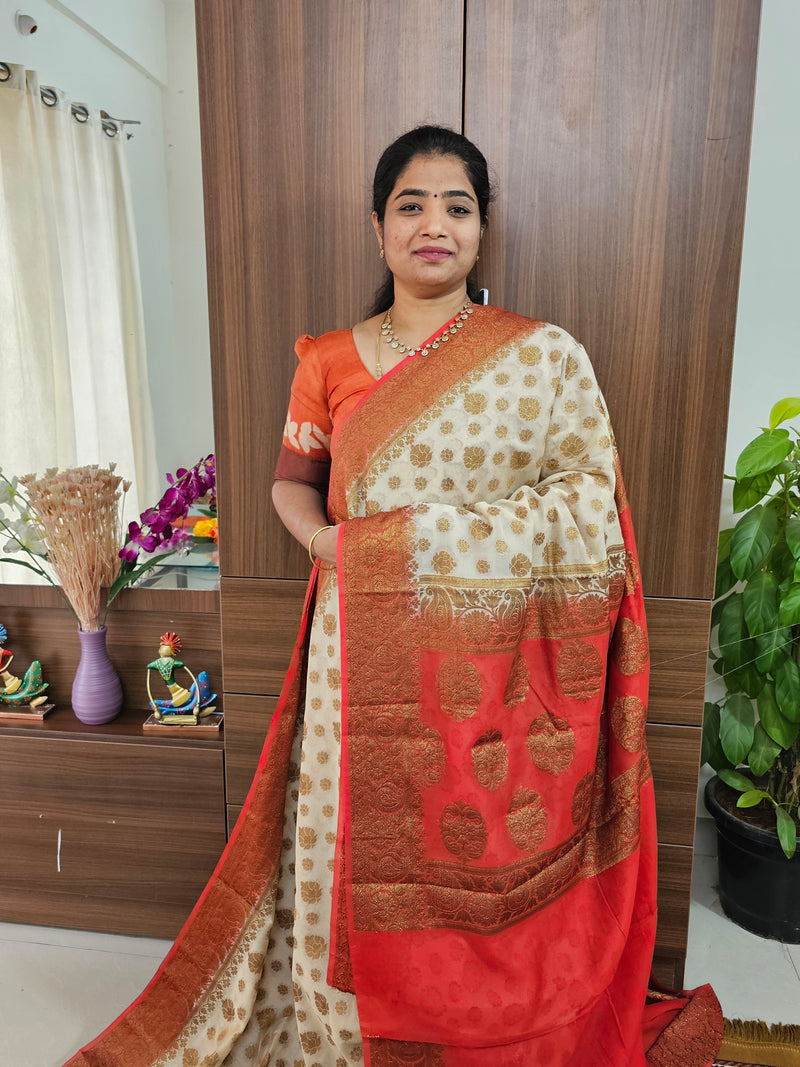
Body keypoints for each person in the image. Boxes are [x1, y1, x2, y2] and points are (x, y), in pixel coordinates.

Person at [66, 126, 721, 1067]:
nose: (434, 225)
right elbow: (291, 480)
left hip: (494, 663)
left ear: (481, 231)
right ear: (379, 229)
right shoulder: (329, 359)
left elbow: (587, 506)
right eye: (411, 205)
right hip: (357, 640)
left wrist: (426, 546)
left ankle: (470, 1019)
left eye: (457, 206)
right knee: (351, 833)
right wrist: (331, 544)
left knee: (478, 838)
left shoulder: (541, 359)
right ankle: (348, 1027)